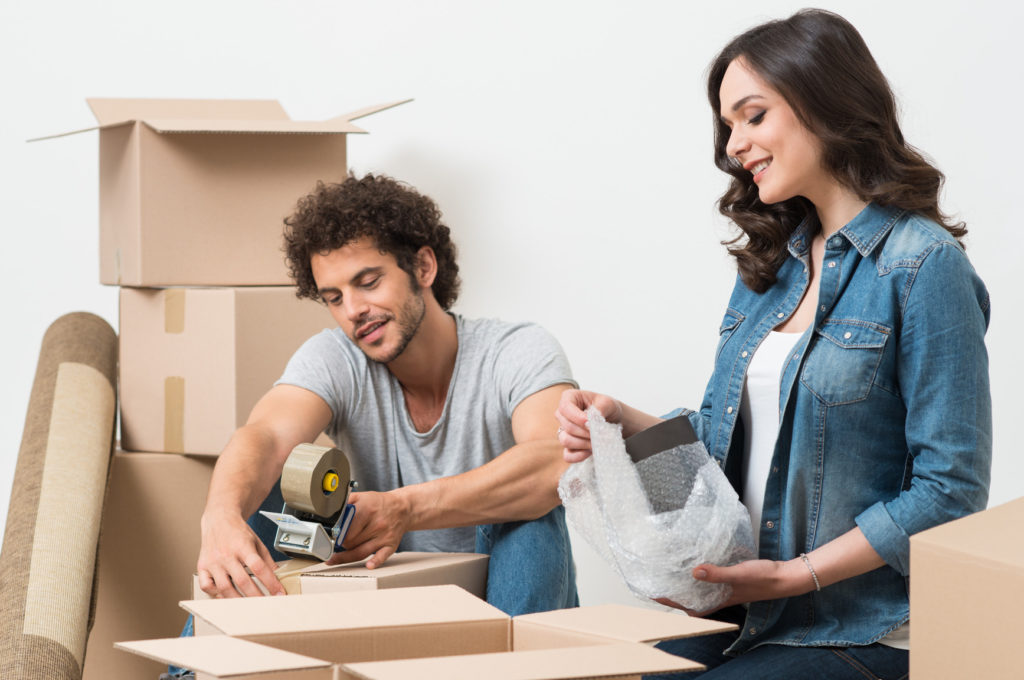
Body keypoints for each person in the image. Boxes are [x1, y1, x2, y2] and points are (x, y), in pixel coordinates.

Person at [555, 9, 990, 679]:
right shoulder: (771, 271)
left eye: (752, 116)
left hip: (866, 627)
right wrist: (625, 423)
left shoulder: (924, 266)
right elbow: (726, 442)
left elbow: (949, 490)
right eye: (729, 127)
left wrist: (795, 575)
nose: (735, 147)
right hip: (751, 617)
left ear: (824, 101)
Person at [196, 172, 578, 616]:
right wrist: (219, 517)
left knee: (535, 504)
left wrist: (405, 508)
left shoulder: (517, 349)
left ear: (424, 268)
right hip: (390, 604)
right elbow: (264, 436)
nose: (353, 310)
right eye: (334, 297)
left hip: (504, 602)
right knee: (264, 494)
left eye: (368, 282)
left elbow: (554, 459)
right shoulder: (335, 357)